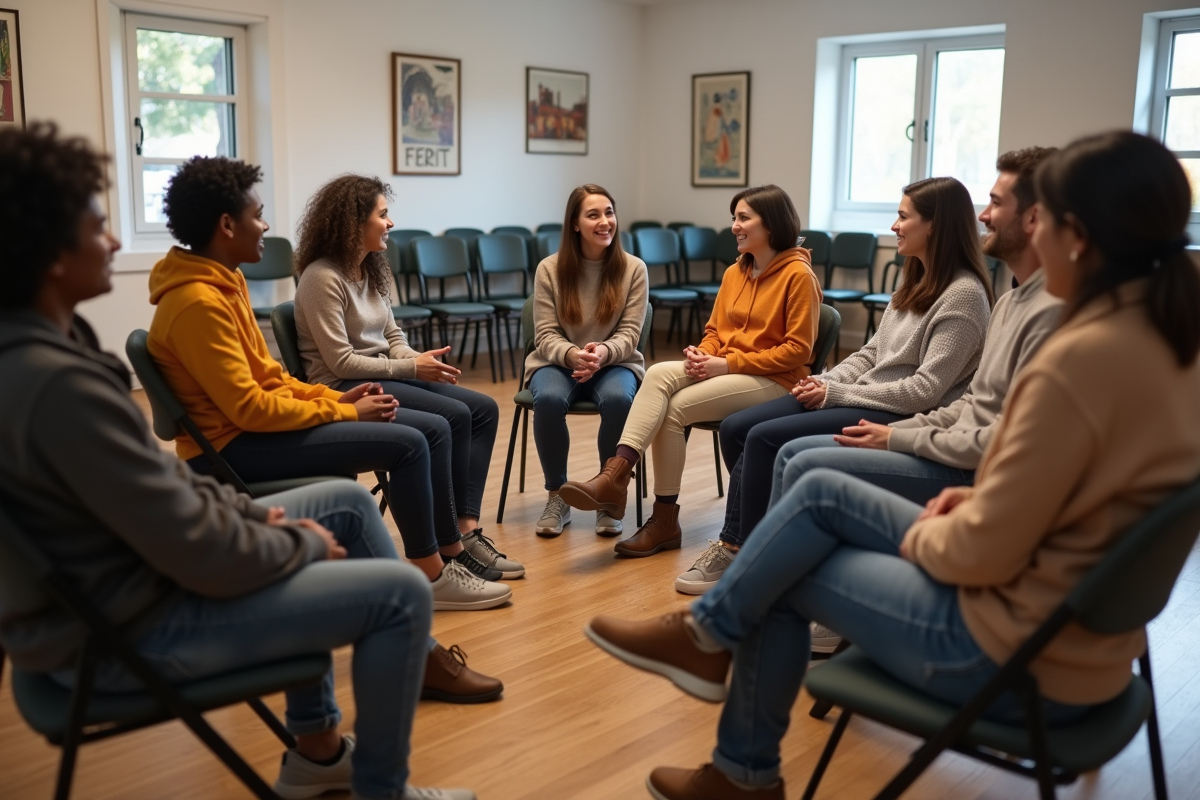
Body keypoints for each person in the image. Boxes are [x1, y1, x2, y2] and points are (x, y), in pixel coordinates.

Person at [583, 129, 1200, 800]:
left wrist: (931, 525)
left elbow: (978, 555)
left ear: (1072, 232)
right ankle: (712, 654)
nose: (1015, 223)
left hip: (1016, 659)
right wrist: (983, 501)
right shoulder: (1165, 338)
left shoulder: (1075, 357)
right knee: (814, 494)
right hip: (1096, 654)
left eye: (1037, 215)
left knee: (790, 565)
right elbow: (1079, 494)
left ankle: (737, 750)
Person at [0, 123, 478, 800]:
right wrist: (284, 545)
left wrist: (267, 527)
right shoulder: (58, 384)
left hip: (124, 596)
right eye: (99, 224)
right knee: (398, 594)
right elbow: (181, 533)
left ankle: (316, 756)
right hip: (121, 635)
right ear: (50, 251)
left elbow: (160, 490)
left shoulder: (55, 353)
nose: (112, 242)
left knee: (340, 505)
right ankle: (382, 790)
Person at [146, 156, 510, 612]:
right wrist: (343, 407)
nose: (265, 225)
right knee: (415, 441)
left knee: (431, 430)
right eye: (257, 215)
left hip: (251, 432)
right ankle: (433, 575)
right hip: (229, 450)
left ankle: (443, 556)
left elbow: (270, 377)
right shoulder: (197, 303)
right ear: (226, 225)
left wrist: (330, 398)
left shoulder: (224, 283)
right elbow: (249, 410)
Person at [676, 177, 993, 598]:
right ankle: (764, 529)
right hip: (864, 393)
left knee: (765, 438)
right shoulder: (913, 279)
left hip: (900, 412)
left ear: (935, 226)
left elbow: (924, 391)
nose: (894, 226)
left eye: (902, 217)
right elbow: (870, 353)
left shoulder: (964, 295)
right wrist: (823, 381)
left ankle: (738, 544)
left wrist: (837, 394)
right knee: (737, 427)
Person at [768, 148, 1061, 510]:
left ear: (1034, 217)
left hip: (954, 459)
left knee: (792, 455)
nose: (983, 217)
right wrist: (830, 383)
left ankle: (749, 551)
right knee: (776, 443)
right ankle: (749, 548)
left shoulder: (1003, 304)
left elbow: (939, 398)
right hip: (926, 429)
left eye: (995, 204)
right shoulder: (1004, 302)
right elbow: (968, 404)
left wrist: (894, 434)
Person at [558, 185, 823, 557]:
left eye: (744, 218)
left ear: (772, 224)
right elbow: (716, 330)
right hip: (730, 370)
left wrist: (725, 363)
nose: (734, 226)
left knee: (674, 405)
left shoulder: (798, 276)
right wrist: (704, 353)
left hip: (776, 381)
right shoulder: (736, 271)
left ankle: (624, 486)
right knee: (661, 378)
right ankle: (638, 495)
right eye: (734, 218)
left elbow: (798, 351)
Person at [292, 174, 520, 579]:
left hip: (386, 372)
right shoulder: (320, 278)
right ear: (353, 223)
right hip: (346, 387)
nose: (391, 222)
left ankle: (465, 530)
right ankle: (446, 543)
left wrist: (417, 358)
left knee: (481, 409)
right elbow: (342, 362)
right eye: (383, 214)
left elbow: (392, 335)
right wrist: (413, 367)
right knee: (450, 418)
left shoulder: (371, 268)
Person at [525, 184, 648, 537]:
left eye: (609, 212)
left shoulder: (633, 269)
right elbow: (545, 334)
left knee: (619, 399)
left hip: (615, 362)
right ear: (575, 224)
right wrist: (573, 354)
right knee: (547, 398)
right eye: (593, 214)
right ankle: (557, 494)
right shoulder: (549, 269)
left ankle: (608, 495)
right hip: (558, 361)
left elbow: (630, 334)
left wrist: (603, 353)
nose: (604, 221)